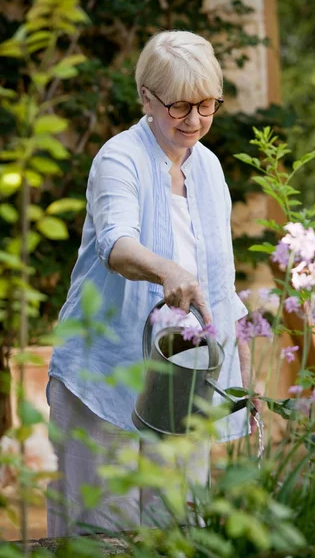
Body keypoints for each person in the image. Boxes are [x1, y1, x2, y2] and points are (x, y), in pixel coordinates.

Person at [47, 30, 260, 536]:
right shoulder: (119, 158)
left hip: (180, 378)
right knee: (102, 534)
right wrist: (167, 270)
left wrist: (242, 367)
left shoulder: (208, 168)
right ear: (146, 97)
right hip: (105, 373)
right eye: (180, 106)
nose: (194, 121)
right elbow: (117, 245)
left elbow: (219, 280)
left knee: (177, 530)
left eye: (207, 105)